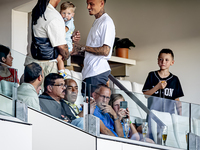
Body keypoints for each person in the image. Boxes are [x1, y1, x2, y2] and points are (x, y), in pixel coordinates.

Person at [25, 0, 80, 81]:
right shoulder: (53, 15)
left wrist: (71, 39)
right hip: (46, 67)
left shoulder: (37, 11)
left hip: (30, 63)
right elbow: (62, 47)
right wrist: (67, 54)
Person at [72, 0, 115, 95]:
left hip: (97, 73)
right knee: (87, 107)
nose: (88, 7)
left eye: (91, 4)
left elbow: (105, 51)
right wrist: (77, 50)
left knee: (92, 108)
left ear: (101, 3)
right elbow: (93, 50)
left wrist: (83, 47)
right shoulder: (97, 22)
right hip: (89, 73)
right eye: (87, 4)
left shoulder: (106, 22)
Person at [142, 49, 184, 115]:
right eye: (161, 59)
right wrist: (157, 87)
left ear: (172, 62)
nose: (163, 62)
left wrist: (180, 116)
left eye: (167, 60)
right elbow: (146, 95)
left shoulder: (175, 79)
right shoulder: (152, 75)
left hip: (168, 115)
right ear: (158, 61)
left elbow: (177, 100)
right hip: (153, 114)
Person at [56, 1, 76, 77]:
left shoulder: (69, 23)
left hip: (67, 44)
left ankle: (62, 73)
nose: (65, 15)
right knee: (59, 58)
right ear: (60, 12)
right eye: (63, 13)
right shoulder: (64, 21)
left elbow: (63, 31)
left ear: (72, 15)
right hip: (65, 43)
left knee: (59, 58)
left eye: (68, 14)